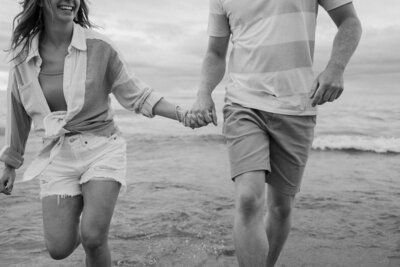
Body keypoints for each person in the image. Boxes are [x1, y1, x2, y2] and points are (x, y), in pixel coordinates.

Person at [0, 0, 202, 266]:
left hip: (102, 148)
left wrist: (183, 114)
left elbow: (137, 95)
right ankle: (92, 219)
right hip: (56, 155)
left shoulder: (99, 47)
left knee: (93, 237)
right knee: (58, 248)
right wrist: (10, 164)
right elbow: (17, 111)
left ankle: (95, 223)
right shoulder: (22, 57)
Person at [188, 0, 362, 266]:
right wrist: (203, 93)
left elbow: (349, 21)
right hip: (243, 102)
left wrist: (336, 68)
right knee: (248, 199)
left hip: (297, 105)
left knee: (281, 207)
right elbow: (215, 52)